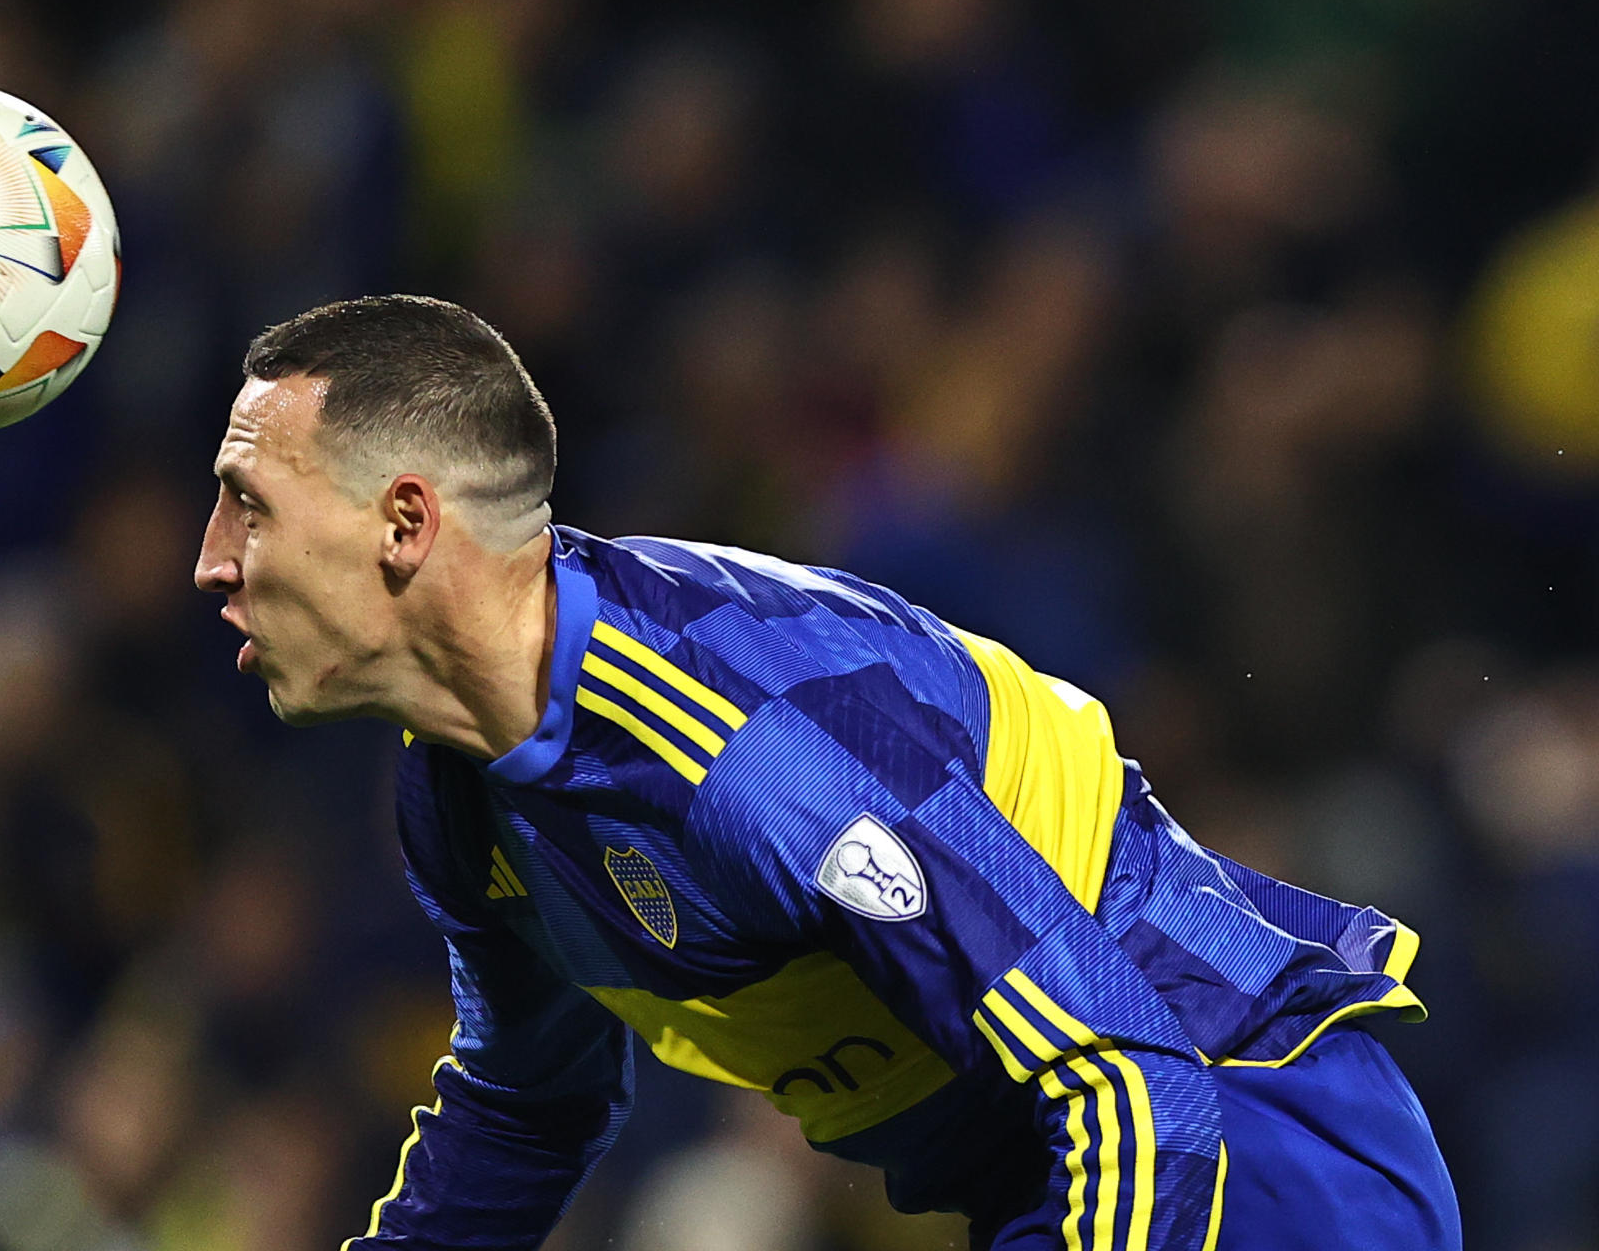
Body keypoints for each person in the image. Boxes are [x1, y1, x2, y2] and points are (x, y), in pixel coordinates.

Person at [193, 294, 1461, 1250]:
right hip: (1079, 1168)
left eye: (248, 502)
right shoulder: (462, 794)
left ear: (406, 523)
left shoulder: (757, 740)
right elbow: (527, 1103)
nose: (214, 562)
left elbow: (1129, 1079)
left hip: (1251, 1154)